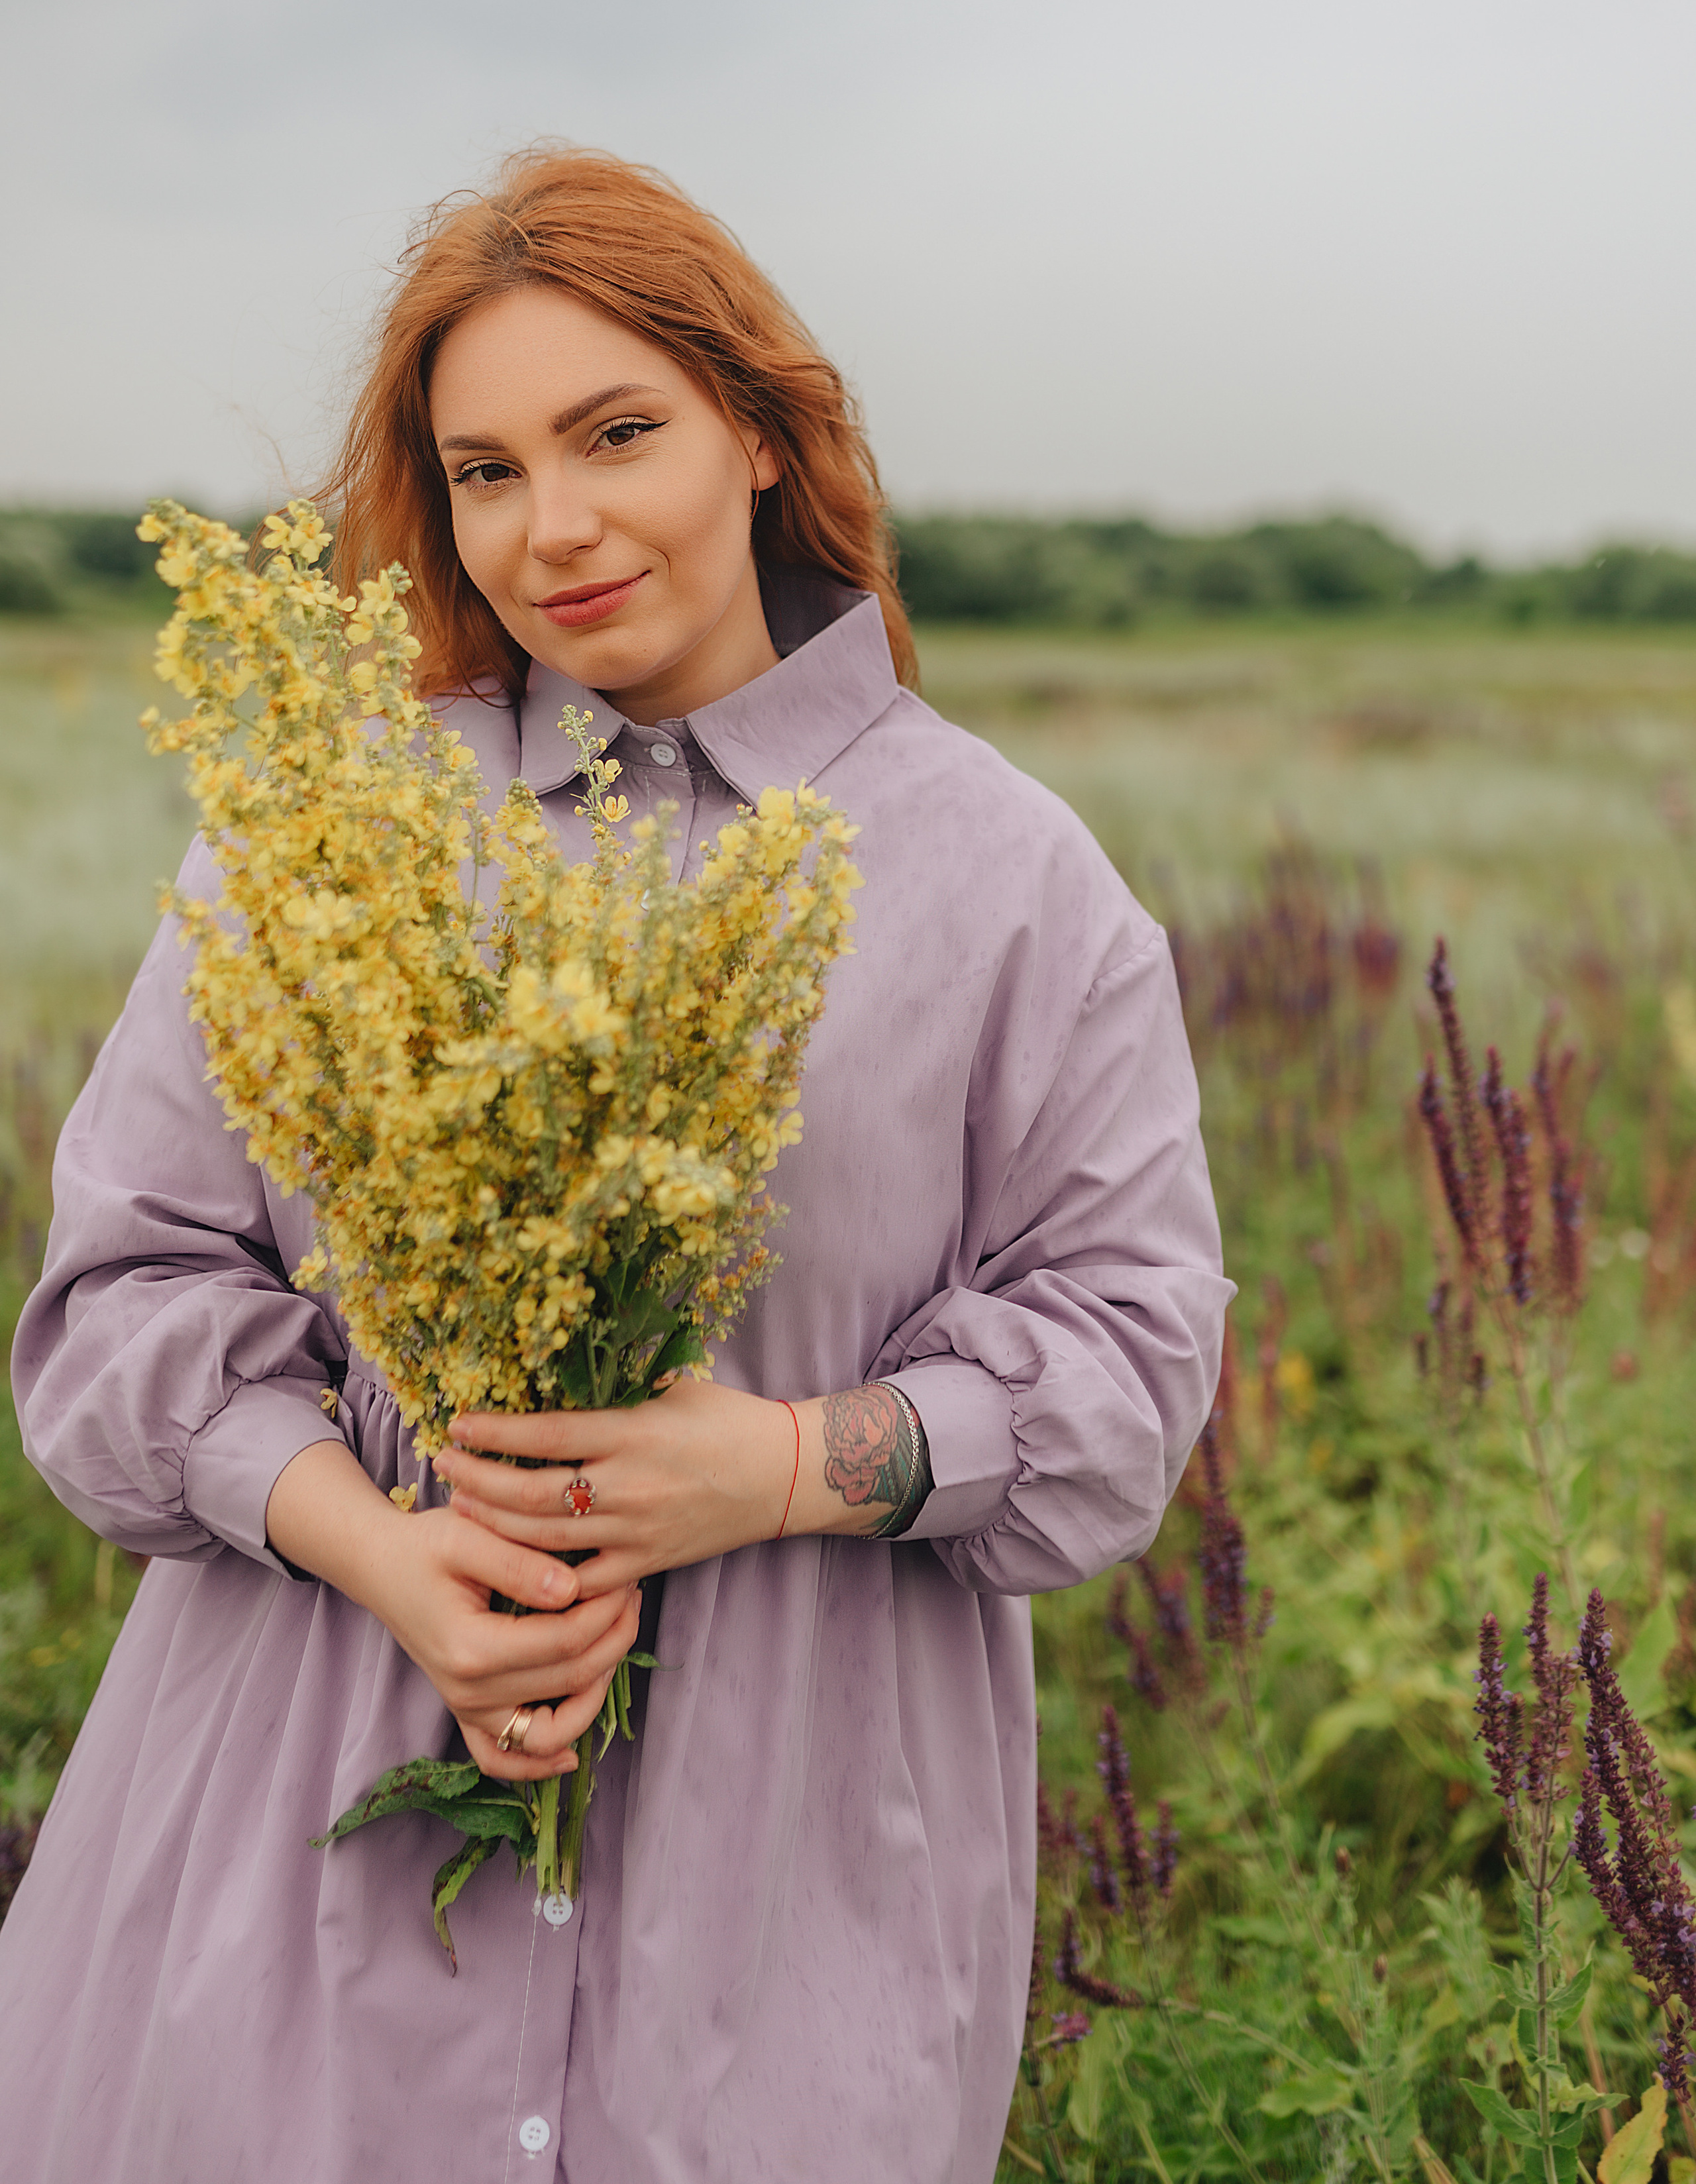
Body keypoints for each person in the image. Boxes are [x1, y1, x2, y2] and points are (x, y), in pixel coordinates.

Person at [0, 149, 1230, 2183]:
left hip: (791, 1919)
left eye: (616, 432)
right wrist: (376, 1542)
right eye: (483, 470)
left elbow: (1131, 1363)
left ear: (757, 427)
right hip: (285, 1864)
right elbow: (113, 1313)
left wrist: (787, 1463)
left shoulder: (1013, 880)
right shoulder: (323, 836)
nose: (550, 527)